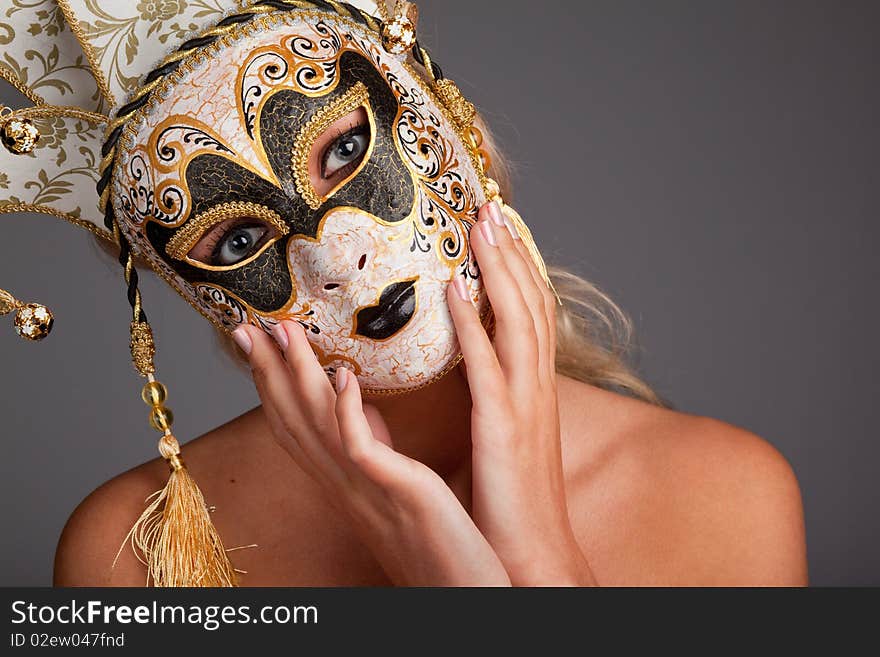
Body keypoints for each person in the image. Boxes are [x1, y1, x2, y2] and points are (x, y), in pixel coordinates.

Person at [0, 0, 805, 586]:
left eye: (346, 147)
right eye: (239, 240)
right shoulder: (134, 553)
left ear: (446, 127)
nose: (336, 259)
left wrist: (532, 559)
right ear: (199, 297)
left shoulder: (729, 498)